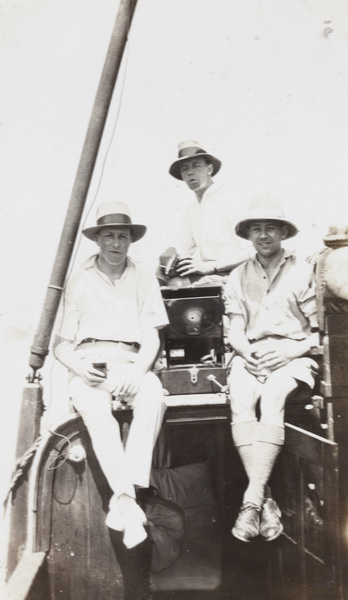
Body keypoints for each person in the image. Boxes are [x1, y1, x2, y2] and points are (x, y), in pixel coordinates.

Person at [53, 201, 168, 550]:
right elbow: (61, 345)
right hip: (90, 360)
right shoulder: (79, 280)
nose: (116, 243)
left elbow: (152, 335)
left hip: (131, 360)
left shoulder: (144, 277)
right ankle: (128, 500)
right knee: (94, 409)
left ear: (130, 240)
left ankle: (124, 498)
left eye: (122, 236)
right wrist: (78, 366)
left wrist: (137, 369)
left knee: (153, 395)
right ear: (98, 240)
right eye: (109, 236)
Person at [224, 196, 319, 543]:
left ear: (282, 232)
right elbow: (235, 328)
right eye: (256, 229)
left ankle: (251, 501)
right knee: (241, 397)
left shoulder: (301, 270)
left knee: (275, 392)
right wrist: (246, 352)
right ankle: (265, 504)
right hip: (251, 354)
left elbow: (317, 332)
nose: (263, 235)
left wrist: (289, 350)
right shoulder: (237, 276)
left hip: (294, 354)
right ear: (249, 234)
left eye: (270, 228)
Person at [158, 140, 252, 286]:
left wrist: (211, 267)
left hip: (239, 275)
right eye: (184, 169)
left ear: (209, 169)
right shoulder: (191, 210)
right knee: (161, 276)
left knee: (178, 287)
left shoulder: (230, 199)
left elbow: (252, 251)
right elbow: (182, 247)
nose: (190, 172)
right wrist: (170, 251)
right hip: (211, 275)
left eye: (196, 166)